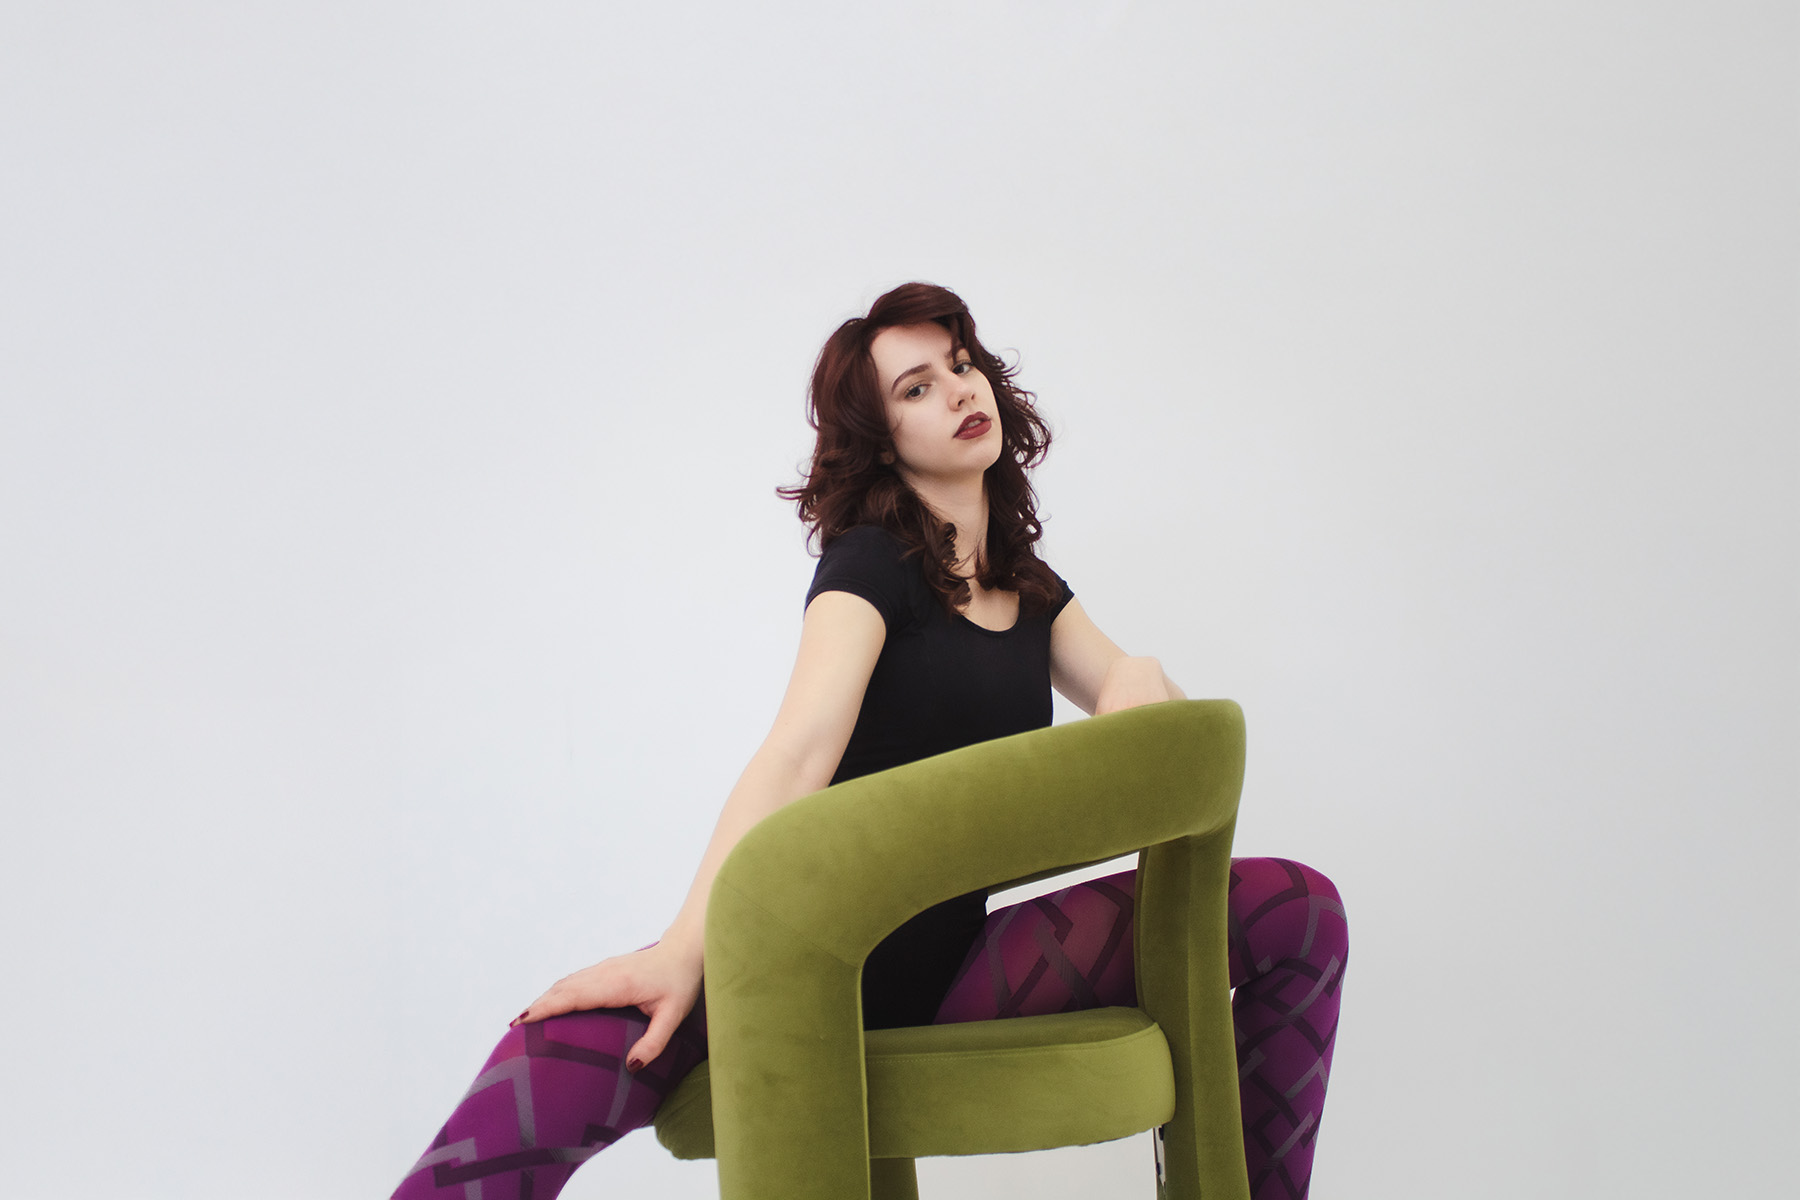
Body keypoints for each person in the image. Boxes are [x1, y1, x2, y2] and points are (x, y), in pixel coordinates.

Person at [392, 283, 1348, 1200]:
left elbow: (1170, 755)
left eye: (961, 365)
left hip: (948, 966)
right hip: (800, 956)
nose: (959, 392)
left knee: (1299, 911)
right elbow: (797, 751)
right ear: (883, 441)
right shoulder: (871, 565)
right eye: (916, 388)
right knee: (553, 1060)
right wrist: (684, 947)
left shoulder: (1030, 588)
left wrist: (1136, 674)